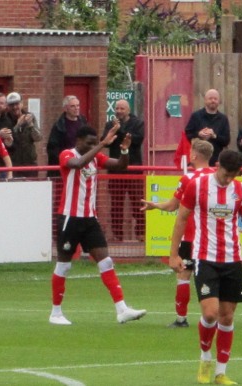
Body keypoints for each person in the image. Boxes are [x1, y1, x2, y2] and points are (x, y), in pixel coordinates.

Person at [168, 150, 242, 385]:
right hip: (205, 257)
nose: (227, 180)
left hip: (233, 260)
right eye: (225, 174)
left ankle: (221, 372)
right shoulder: (197, 185)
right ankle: (205, 357)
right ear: (217, 166)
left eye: (232, 176)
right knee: (210, 312)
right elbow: (181, 218)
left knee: (227, 315)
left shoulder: (241, 190)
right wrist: (173, 254)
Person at [49, 124, 147, 325]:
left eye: (95, 142)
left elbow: (121, 165)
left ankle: (122, 309)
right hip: (70, 218)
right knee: (64, 265)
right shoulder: (67, 154)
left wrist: (125, 149)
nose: (93, 146)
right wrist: (102, 144)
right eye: (89, 142)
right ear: (78, 141)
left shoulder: (96, 157)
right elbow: (77, 164)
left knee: (106, 261)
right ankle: (56, 312)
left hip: (90, 219)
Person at [141, 139, 214, 328]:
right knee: (214, 276)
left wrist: (155, 205)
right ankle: (218, 317)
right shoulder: (218, 177)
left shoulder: (189, 179)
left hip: (191, 237)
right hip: (212, 238)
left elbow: (173, 205)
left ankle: (181, 319)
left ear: (194, 156)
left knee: (183, 276)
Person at [101, 100, 146, 242]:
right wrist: (114, 131)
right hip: (116, 169)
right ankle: (117, 235)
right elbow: (105, 141)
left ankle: (141, 232)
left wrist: (119, 131)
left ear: (128, 110)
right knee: (116, 203)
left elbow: (137, 140)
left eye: (122, 108)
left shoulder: (138, 123)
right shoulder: (110, 125)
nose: (119, 111)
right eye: (117, 108)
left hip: (134, 169)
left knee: (138, 202)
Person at [184, 89, 230, 166]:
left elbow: (226, 141)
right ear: (205, 100)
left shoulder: (223, 119)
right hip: (197, 160)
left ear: (219, 101)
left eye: (215, 99)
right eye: (210, 98)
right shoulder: (196, 116)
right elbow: (187, 135)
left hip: (215, 161)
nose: (213, 101)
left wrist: (214, 136)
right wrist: (199, 134)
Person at [47, 95, 87, 177]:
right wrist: (65, 160)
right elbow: (52, 149)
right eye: (73, 106)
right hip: (65, 165)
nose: (76, 108)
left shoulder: (83, 122)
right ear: (66, 109)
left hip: (81, 164)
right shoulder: (59, 126)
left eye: (78, 105)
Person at [6, 92, 42, 178]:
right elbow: (7, 140)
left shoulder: (30, 116)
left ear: (22, 104)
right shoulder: (5, 119)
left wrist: (31, 126)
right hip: (13, 164)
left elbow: (38, 138)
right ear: (8, 106)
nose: (15, 107)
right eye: (11, 105)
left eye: (17, 104)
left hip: (30, 163)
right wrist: (17, 125)